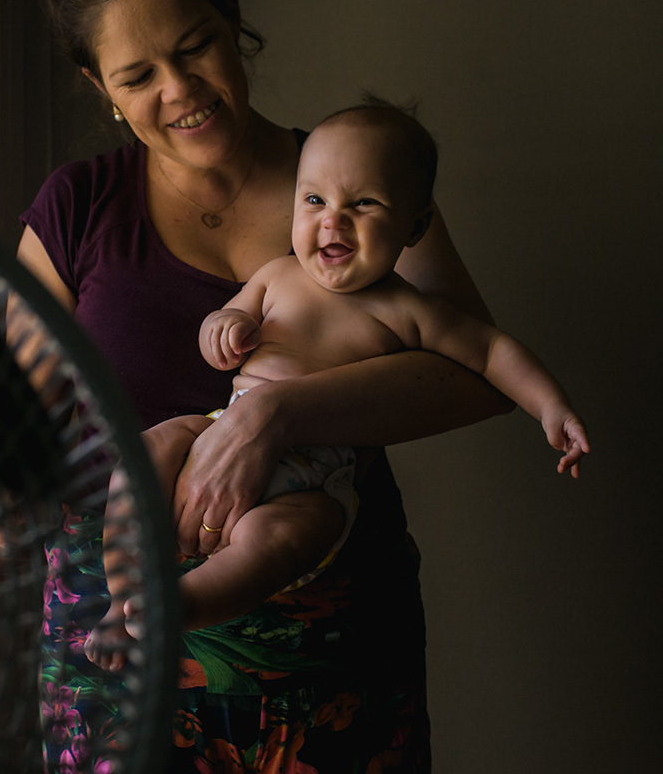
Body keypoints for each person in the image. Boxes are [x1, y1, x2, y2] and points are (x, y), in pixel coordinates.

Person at [0, 0, 518, 770]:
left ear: (233, 23)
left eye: (195, 48)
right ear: (100, 87)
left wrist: (276, 415)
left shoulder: (355, 181)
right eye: (138, 75)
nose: (180, 90)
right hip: (118, 646)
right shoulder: (76, 205)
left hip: (324, 636)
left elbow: (479, 373)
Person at [84, 101, 590, 673]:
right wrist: (224, 329)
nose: (333, 220)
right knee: (150, 448)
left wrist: (552, 406)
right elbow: (218, 327)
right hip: (221, 432)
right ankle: (122, 599)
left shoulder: (409, 310)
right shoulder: (277, 275)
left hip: (317, 475)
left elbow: (492, 352)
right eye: (315, 200)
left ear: (415, 226)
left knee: (288, 537)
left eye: (364, 203)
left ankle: (176, 609)